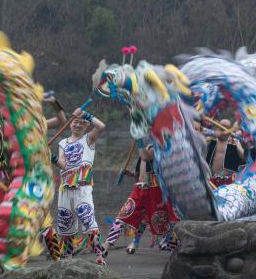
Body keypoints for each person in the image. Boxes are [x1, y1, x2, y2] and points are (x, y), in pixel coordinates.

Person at [50, 106, 107, 264]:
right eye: (75, 122)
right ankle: (68, 258)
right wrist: (52, 157)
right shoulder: (63, 142)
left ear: (87, 125)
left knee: (87, 219)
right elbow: (62, 164)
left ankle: (99, 256)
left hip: (83, 187)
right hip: (65, 188)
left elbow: (101, 126)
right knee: (65, 223)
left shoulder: (89, 139)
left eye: (82, 123)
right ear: (70, 123)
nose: (78, 125)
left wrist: (86, 114)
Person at [103, 141, 178, 256]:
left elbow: (145, 156)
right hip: (139, 190)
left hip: (155, 192)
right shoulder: (147, 146)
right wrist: (131, 173)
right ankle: (107, 244)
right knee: (124, 214)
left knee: (161, 223)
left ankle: (173, 248)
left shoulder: (158, 147)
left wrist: (138, 140)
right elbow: (143, 168)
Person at [204, 118, 246, 185]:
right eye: (221, 128)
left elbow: (245, 157)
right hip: (209, 178)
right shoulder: (211, 140)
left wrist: (239, 146)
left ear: (230, 129)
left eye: (225, 128)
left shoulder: (234, 142)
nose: (223, 131)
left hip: (227, 181)